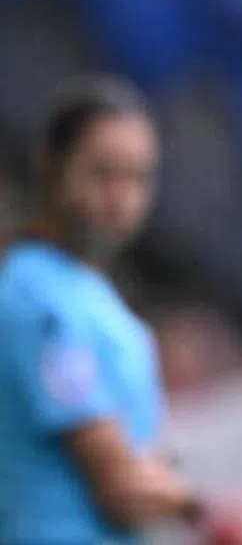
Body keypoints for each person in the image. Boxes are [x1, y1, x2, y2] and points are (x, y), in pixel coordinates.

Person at [0, 78, 219, 544]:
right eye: (102, 173)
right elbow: (123, 488)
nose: (121, 197)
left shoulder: (88, 291)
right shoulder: (39, 297)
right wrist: (202, 507)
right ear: (50, 164)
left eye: (137, 177)